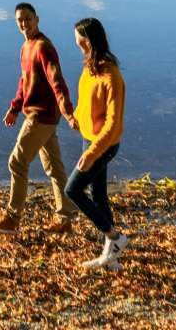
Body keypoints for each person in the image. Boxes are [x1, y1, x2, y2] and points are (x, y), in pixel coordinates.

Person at [0, 2, 77, 236]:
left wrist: (67, 110)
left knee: (16, 162)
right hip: (36, 114)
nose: (24, 24)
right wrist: (15, 108)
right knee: (54, 168)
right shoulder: (26, 47)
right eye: (20, 20)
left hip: (41, 116)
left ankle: (12, 218)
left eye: (28, 19)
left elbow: (57, 81)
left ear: (37, 19)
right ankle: (64, 219)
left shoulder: (44, 47)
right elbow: (24, 81)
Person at [58, 16, 127, 270]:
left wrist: (92, 153)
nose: (76, 44)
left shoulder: (111, 75)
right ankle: (111, 258)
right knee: (98, 195)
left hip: (103, 145)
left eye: (79, 40)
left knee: (72, 190)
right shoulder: (91, 67)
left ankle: (115, 237)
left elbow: (112, 124)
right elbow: (87, 101)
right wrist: (76, 117)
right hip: (90, 139)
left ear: (89, 40)